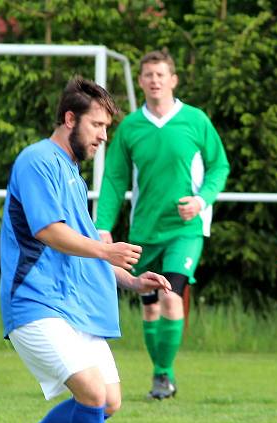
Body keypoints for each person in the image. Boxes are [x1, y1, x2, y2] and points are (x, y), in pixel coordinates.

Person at [0, 77, 170, 423]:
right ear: (70, 119)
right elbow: (48, 231)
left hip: (71, 305)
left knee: (109, 400)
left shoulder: (70, 172)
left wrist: (129, 280)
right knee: (91, 392)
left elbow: (83, 246)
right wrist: (106, 249)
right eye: (97, 125)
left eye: (106, 128)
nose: (103, 136)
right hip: (33, 303)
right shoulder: (37, 161)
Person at [95, 50, 230, 400]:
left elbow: (219, 167)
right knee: (150, 304)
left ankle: (163, 376)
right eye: (148, 75)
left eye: (161, 74)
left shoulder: (196, 120)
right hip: (145, 231)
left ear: (173, 80)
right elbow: (113, 179)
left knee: (171, 298)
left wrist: (201, 201)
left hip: (186, 230)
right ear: (140, 81)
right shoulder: (130, 128)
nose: (154, 80)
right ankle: (160, 373)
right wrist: (103, 226)